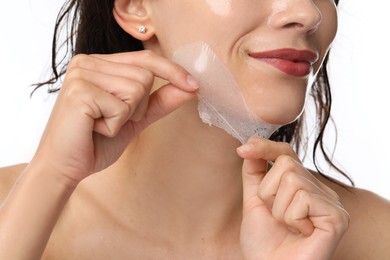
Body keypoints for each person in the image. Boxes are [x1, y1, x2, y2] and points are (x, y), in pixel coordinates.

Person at [0, 0, 389, 259]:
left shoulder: (375, 237)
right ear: (137, 6)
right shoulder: (14, 210)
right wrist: (49, 180)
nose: (307, 12)